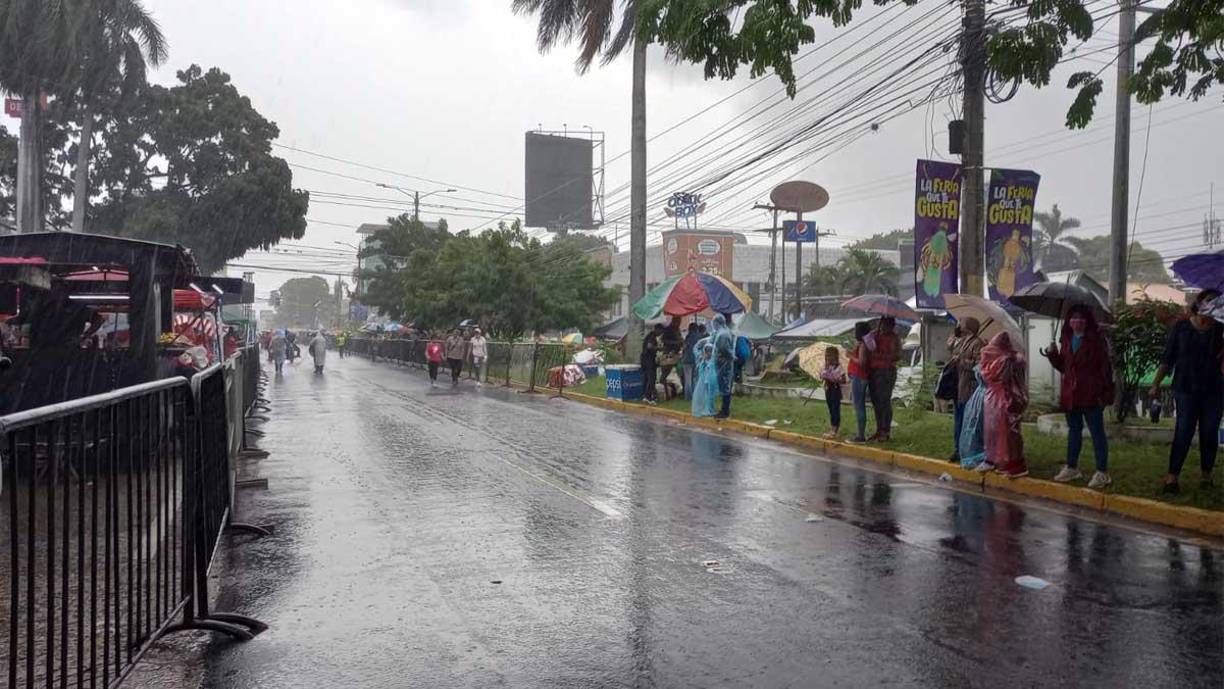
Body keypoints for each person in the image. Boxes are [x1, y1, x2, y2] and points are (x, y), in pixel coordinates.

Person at [1149, 288, 1224, 493]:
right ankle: (1172, 477)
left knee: (1209, 432)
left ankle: (1206, 476)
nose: (1212, 305)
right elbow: (1168, 358)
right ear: (1199, 304)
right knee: (1183, 431)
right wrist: (1155, 384)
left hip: (1214, 391)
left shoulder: (1221, 330)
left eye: (1217, 302)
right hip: (1185, 389)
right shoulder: (1182, 327)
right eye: (1208, 301)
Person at [1045, 306, 1115, 489]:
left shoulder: (1096, 341)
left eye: (1081, 318)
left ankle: (1102, 472)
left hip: (1091, 395)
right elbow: (1064, 367)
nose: (1077, 322)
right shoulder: (1067, 340)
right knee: (1074, 431)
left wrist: (1105, 395)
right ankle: (1072, 467)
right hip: (1071, 395)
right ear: (1069, 321)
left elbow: (1105, 369)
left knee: (1096, 433)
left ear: (1088, 321)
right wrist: (1052, 355)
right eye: (1074, 318)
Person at [977, 331, 1029, 478]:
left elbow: (989, 374)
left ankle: (1014, 465)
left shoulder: (1008, 360)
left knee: (1008, 434)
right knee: (996, 433)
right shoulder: (1012, 359)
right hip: (1001, 400)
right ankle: (1001, 461)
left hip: (1005, 400)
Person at [948, 318, 984, 462]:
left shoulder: (977, 343)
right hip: (958, 385)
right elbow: (954, 353)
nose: (959, 326)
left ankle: (965, 449)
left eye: (961, 324)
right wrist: (952, 346)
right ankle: (957, 447)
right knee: (957, 419)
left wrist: (962, 362)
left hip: (968, 386)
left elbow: (978, 364)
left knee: (965, 419)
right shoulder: (963, 341)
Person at [867, 317, 901, 441]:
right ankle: (879, 428)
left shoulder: (894, 338)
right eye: (882, 324)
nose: (884, 327)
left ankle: (885, 431)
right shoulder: (875, 334)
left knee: (884, 401)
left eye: (887, 325)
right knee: (876, 401)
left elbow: (897, 356)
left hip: (886, 371)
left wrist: (882, 354)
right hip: (874, 370)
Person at [847, 322, 872, 443]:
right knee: (858, 405)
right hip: (858, 377)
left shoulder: (863, 345)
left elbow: (862, 362)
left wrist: (850, 356)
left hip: (859, 377)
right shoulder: (863, 344)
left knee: (858, 406)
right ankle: (860, 432)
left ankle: (860, 435)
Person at [710, 314, 736, 419]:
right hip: (723, 363)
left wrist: (731, 356)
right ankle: (724, 410)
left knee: (725, 387)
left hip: (723, 364)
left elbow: (724, 349)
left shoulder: (723, 334)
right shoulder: (723, 332)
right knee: (724, 386)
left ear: (717, 322)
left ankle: (725, 411)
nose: (713, 325)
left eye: (714, 323)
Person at [820, 346, 848, 439]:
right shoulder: (826, 366)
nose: (828, 357)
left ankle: (835, 429)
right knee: (830, 408)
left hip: (835, 389)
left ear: (835, 356)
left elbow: (844, 380)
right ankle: (832, 428)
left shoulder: (839, 367)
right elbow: (822, 375)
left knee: (835, 408)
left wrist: (835, 379)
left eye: (830, 355)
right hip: (828, 388)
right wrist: (824, 376)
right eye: (826, 355)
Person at [691, 341, 719, 417]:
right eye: (707, 351)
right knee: (703, 395)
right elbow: (695, 349)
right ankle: (704, 409)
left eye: (710, 351)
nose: (708, 353)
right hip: (703, 381)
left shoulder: (713, 360)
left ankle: (710, 409)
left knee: (710, 396)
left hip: (710, 380)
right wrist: (701, 341)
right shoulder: (701, 359)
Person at [658, 317, 683, 400]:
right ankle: (664, 392)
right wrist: (675, 342)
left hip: (676, 354)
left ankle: (678, 391)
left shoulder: (677, 329)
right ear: (674, 321)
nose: (679, 323)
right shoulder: (669, 329)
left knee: (681, 373)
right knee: (664, 375)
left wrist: (681, 342)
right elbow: (663, 340)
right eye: (678, 321)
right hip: (668, 354)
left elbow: (680, 339)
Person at [640, 324, 662, 404]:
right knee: (651, 378)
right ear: (657, 329)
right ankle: (648, 397)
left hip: (645, 360)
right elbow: (649, 347)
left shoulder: (650, 336)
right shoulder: (652, 337)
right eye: (660, 331)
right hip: (648, 361)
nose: (660, 333)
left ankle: (645, 396)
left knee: (646, 379)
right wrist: (658, 348)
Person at [681, 322, 703, 400]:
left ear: (690, 329)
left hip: (687, 360)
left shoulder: (688, 337)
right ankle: (695, 395)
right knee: (695, 379)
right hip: (696, 360)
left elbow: (684, 347)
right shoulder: (700, 337)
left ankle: (688, 397)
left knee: (688, 379)